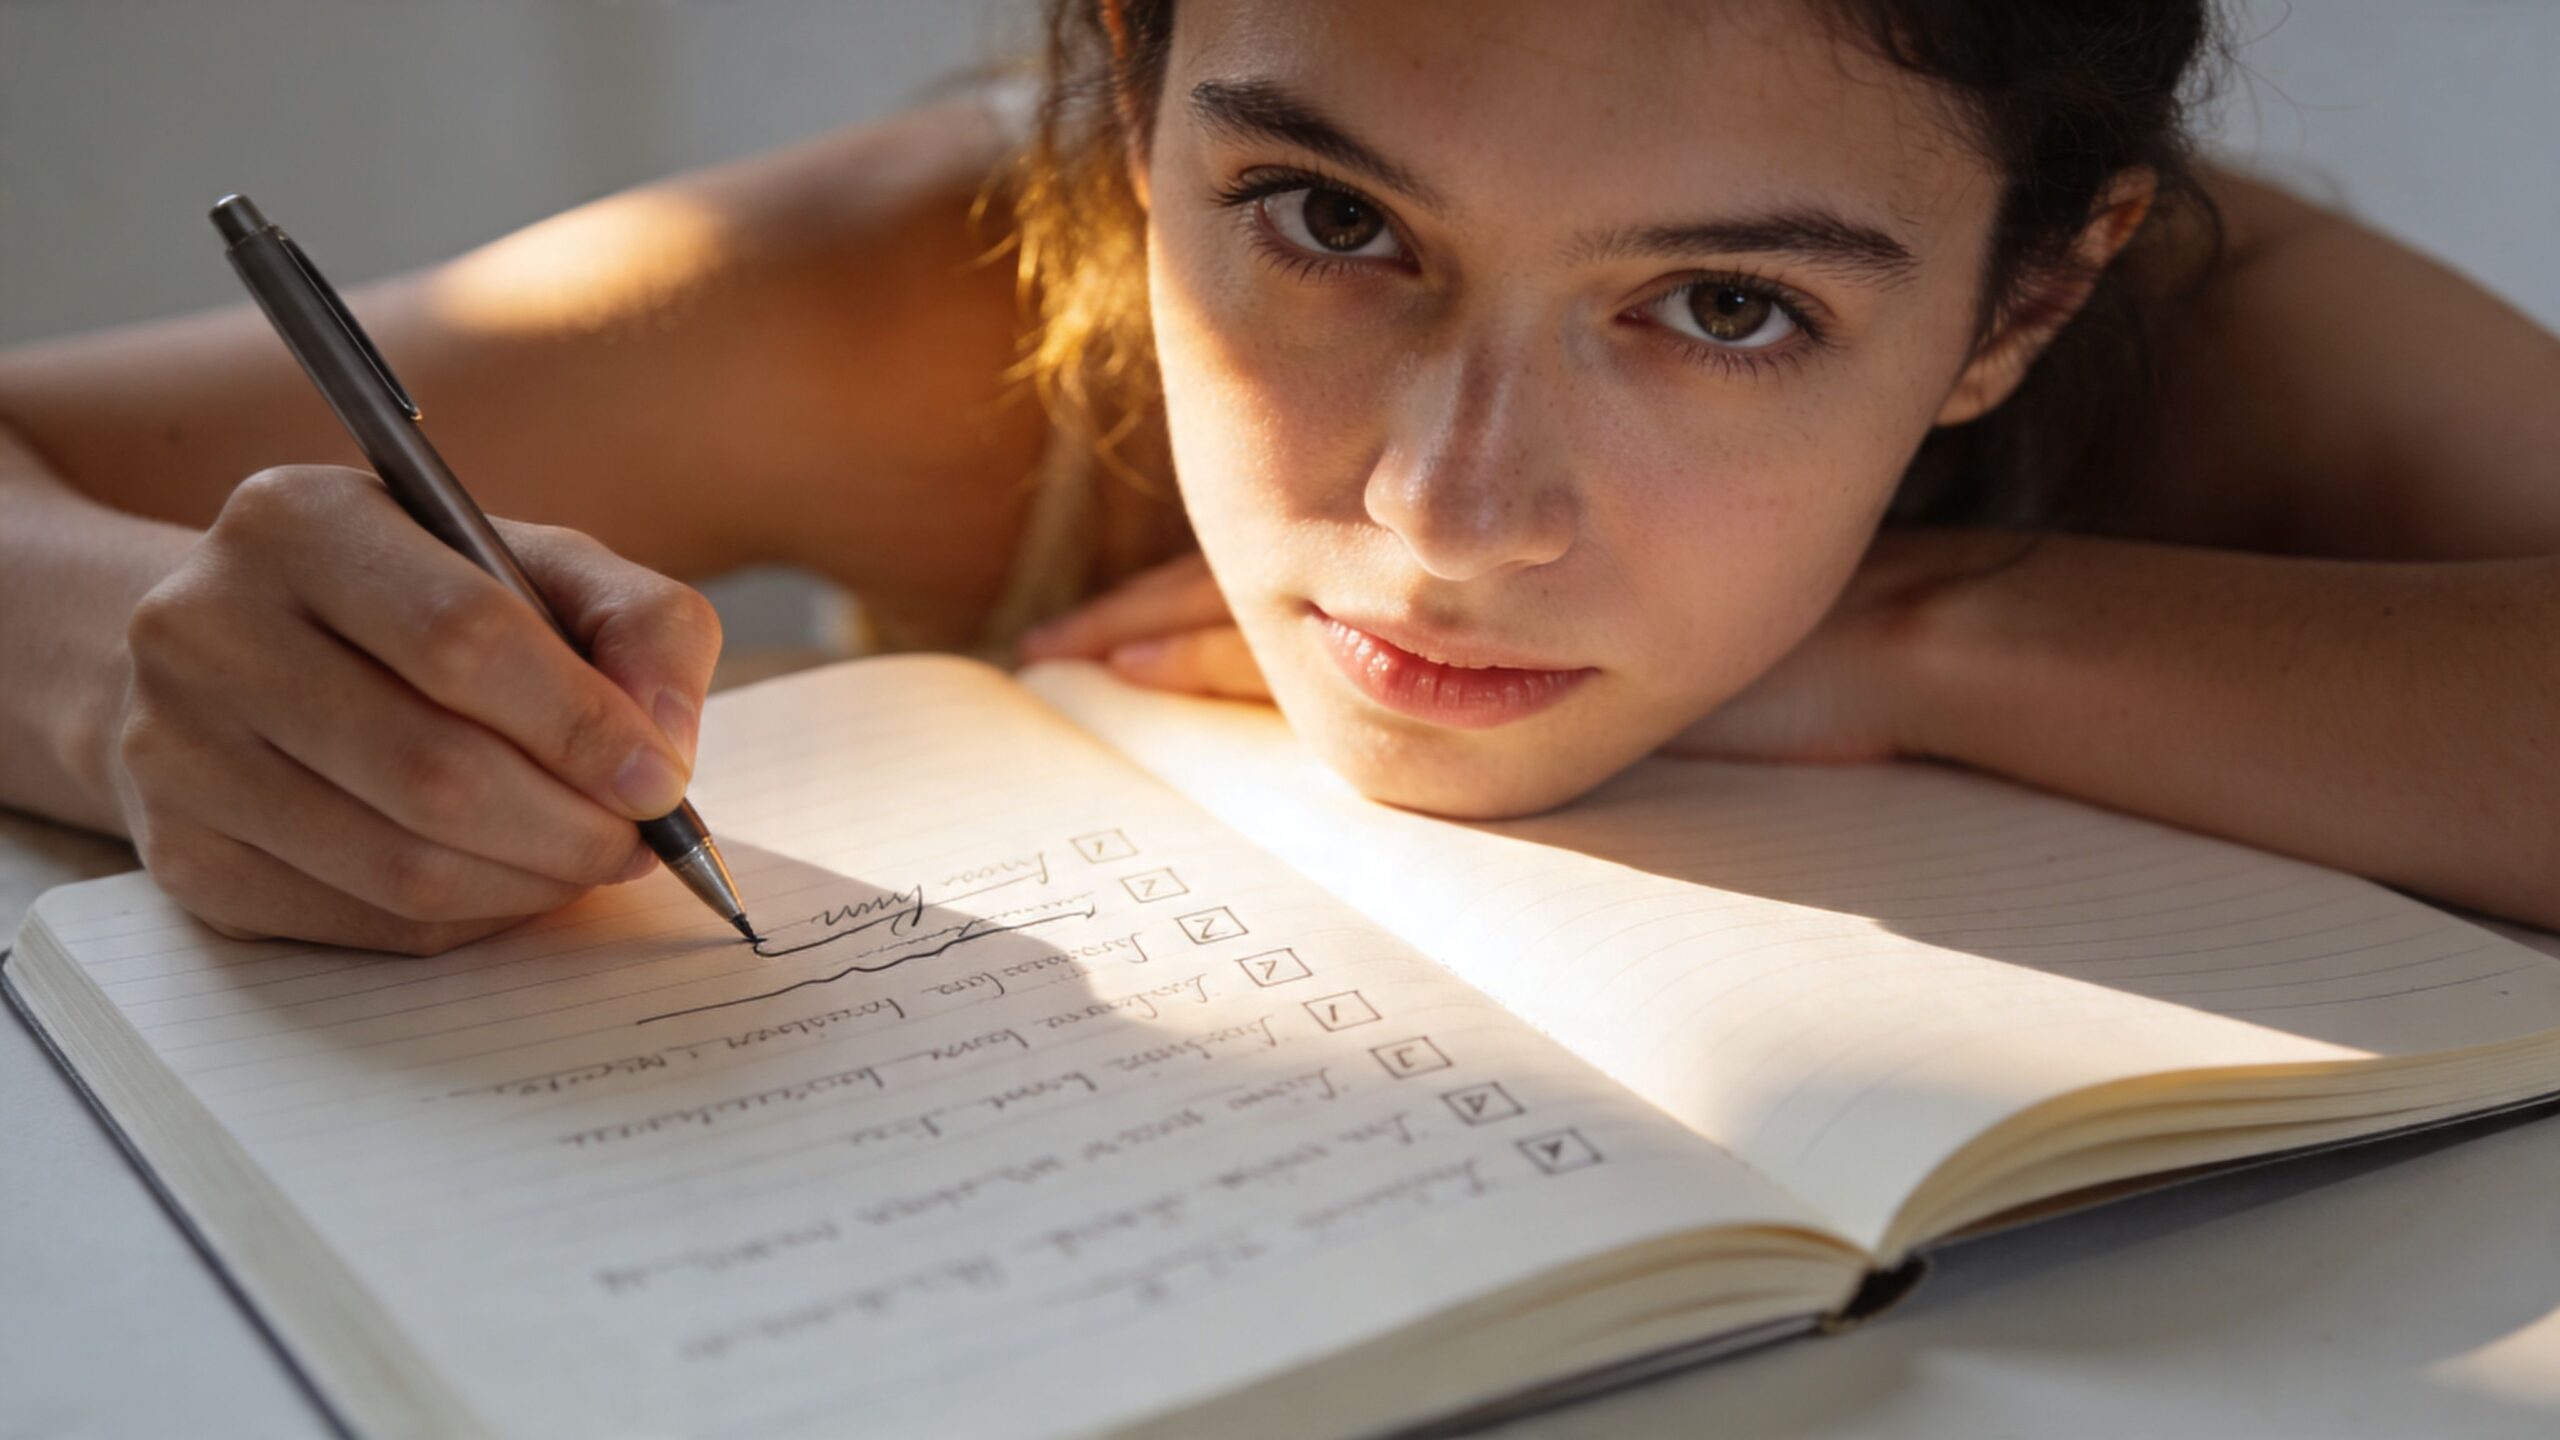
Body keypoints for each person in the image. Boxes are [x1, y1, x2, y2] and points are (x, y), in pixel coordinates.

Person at [0, 0, 2552, 957]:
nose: (1443, 516)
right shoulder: (949, 307)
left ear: (2023, 296)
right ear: (1126, 100)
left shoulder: (2237, 342)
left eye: (1729, 309)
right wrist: (129, 676)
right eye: (1328, 222)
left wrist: (1936, 623)